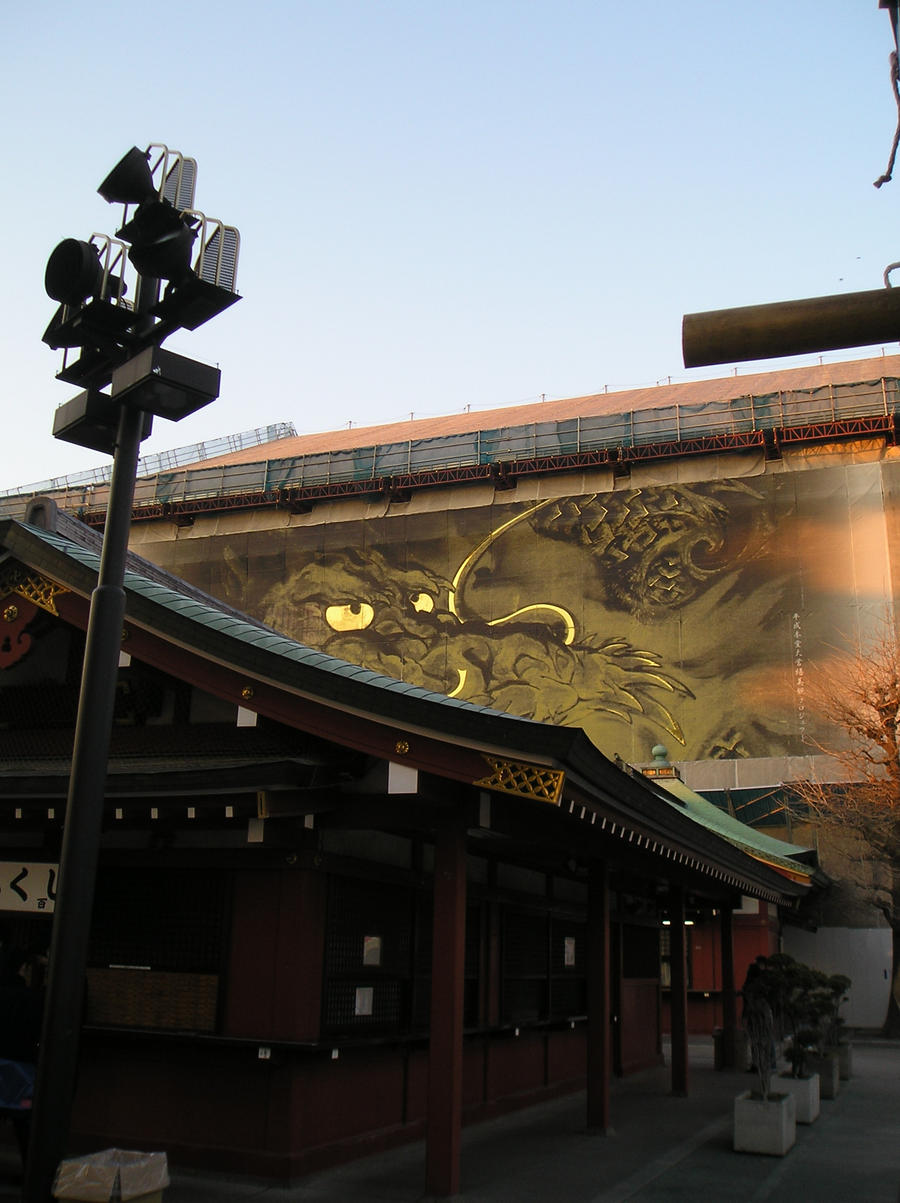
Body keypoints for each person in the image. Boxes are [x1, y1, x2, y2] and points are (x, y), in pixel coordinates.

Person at [0, 948, 43, 1165]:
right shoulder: (31, 998)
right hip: (22, 1072)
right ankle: (30, 1171)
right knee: (23, 1123)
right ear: (23, 969)